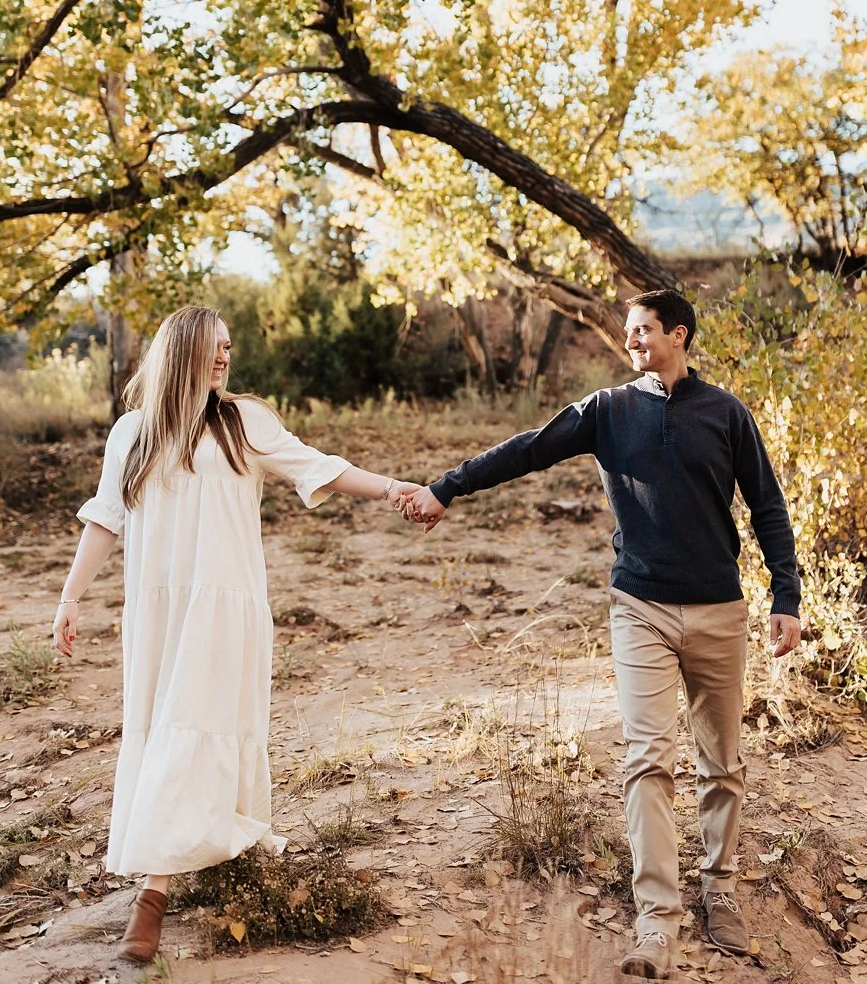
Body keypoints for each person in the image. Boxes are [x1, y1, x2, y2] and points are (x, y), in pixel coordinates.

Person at [394, 288, 801, 980]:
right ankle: (657, 920)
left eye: (643, 329)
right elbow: (526, 450)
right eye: (628, 330)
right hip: (639, 604)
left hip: (719, 611)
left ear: (679, 334)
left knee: (722, 762)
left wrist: (785, 597)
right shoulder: (607, 409)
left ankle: (721, 886)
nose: (631, 339)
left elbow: (768, 505)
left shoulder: (726, 412)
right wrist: (446, 487)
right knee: (648, 759)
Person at [50, 305, 425, 965]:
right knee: (167, 728)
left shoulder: (243, 422)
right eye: (213, 346)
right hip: (159, 611)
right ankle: (210, 852)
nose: (225, 356)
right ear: (182, 352)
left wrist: (392, 487)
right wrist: (71, 595)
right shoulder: (133, 432)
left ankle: (153, 894)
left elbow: (319, 466)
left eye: (228, 346)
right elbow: (106, 518)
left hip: (225, 607)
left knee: (196, 725)